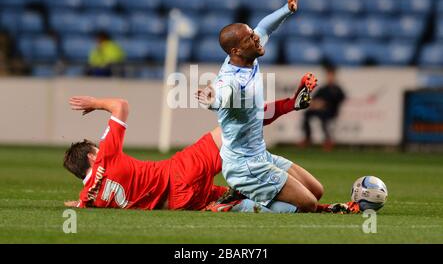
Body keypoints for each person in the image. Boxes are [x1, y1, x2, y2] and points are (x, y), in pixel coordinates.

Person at [63, 74, 360, 213]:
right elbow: (121, 105)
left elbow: (78, 202)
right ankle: (289, 105)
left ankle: (323, 209)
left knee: (254, 203)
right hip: (178, 172)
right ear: (91, 156)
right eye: (96, 149)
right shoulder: (106, 157)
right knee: (234, 126)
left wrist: (76, 202)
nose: (99, 150)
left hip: (182, 204)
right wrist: (96, 103)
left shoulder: (90, 197)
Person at [204, 0, 327, 213]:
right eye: (250, 39)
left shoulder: (248, 55)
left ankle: (245, 193)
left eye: (252, 35)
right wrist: (212, 100)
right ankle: (236, 204)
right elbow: (222, 95)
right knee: (309, 205)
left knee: (316, 191)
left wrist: (286, 9)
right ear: (236, 51)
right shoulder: (231, 80)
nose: (256, 39)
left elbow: (264, 26)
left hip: (259, 155)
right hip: (244, 166)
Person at [301, 64, 346, 151]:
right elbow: (313, 100)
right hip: (320, 111)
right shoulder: (323, 89)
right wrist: (315, 104)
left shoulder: (337, 89)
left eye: (331, 75)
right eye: (328, 75)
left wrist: (324, 104)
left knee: (323, 118)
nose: (329, 77)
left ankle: (328, 140)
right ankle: (308, 138)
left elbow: (339, 100)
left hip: (331, 112)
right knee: (307, 114)